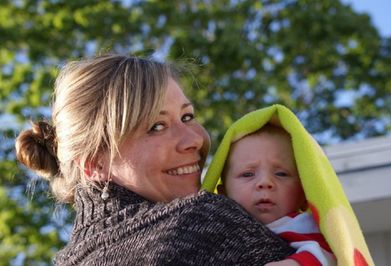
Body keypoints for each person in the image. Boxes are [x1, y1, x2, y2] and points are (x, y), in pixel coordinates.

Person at [15, 54, 294, 265]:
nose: (195, 139)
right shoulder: (201, 225)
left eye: (187, 117)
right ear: (93, 161)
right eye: (156, 126)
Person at [216, 124, 336, 266]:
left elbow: (330, 256)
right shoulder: (212, 231)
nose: (265, 182)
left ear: (304, 196)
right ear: (223, 196)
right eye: (248, 174)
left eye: (281, 174)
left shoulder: (302, 225)